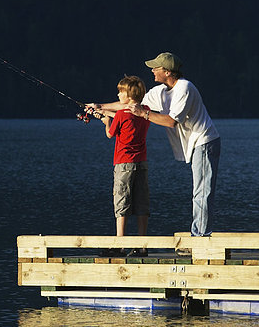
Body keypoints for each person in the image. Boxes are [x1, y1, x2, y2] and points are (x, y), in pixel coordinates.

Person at [90, 52, 220, 242]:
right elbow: (130, 104)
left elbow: (170, 121)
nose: (152, 71)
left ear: (167, 72)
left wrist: (144, 114)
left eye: (156, 68)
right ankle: (198, 234)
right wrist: (99, 107)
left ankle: (200, 237)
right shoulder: (160, 91)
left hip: (205, 141)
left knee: (202, 191)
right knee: (198, 191)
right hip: (195, 143)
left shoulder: (184, 88)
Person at [92, 76, 151, 257]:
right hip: (141, 163)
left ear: (129, 94)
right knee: (141, 203)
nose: (118, 94)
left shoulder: (120, 115)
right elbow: (126, 117)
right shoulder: (146, 111)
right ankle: (142, 247)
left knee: (122, 203)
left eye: (121, 91)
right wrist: (106, 112)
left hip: (123, 164)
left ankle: (120, 245)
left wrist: (106, 121)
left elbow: (111, 134)